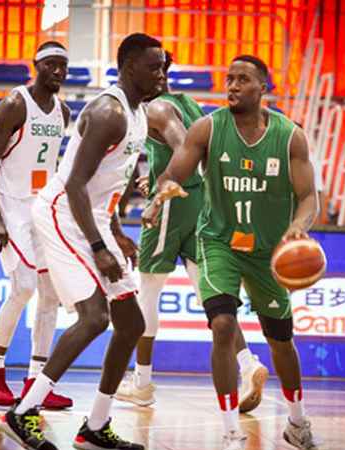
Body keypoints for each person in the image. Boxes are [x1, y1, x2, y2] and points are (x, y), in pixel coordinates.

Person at [142, 55, 331, 450]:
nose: (232, 86)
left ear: (263, 87)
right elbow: (173, 172)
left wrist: (299, 226)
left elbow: (309, 198)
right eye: (229, 79)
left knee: (281, 339)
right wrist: (162, 193)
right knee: (223, 325)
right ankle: (231, 434)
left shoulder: (289, 136)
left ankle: (297, 424)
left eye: (242, 79)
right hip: (219, 244)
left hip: (268, 253)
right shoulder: (207, 128)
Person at [0, 32, 164, 450]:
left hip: (93, 216)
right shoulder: (109, 112)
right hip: (62, 214)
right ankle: (24, 410)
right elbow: (74, 184)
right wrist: (98, 245)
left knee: (131, 323)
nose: (161, 73)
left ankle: (96, 425)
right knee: (94, 317)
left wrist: (115, 231)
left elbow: (112, 180)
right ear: (129, 68)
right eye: (153, 66)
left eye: (163, 66)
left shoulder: (139, 111)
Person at [115, 51, 269, 412]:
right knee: (210, 296)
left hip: (175, 204)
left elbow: (186, 148)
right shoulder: (188, 101)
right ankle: (248, 365)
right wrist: (152, 177)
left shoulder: (156, 109)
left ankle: (142, 383)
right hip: (203, 206)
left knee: (148, 292)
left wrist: (161, 189)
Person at [0, 41, 72, 410]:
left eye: (63, 66)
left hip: (39, 207)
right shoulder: (16, 104)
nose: (58, 72)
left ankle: (37, 381)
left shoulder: (62, 112)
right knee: (23, 288)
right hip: (9, 205)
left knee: (50, 294)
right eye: (51, 65)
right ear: (36, 65)